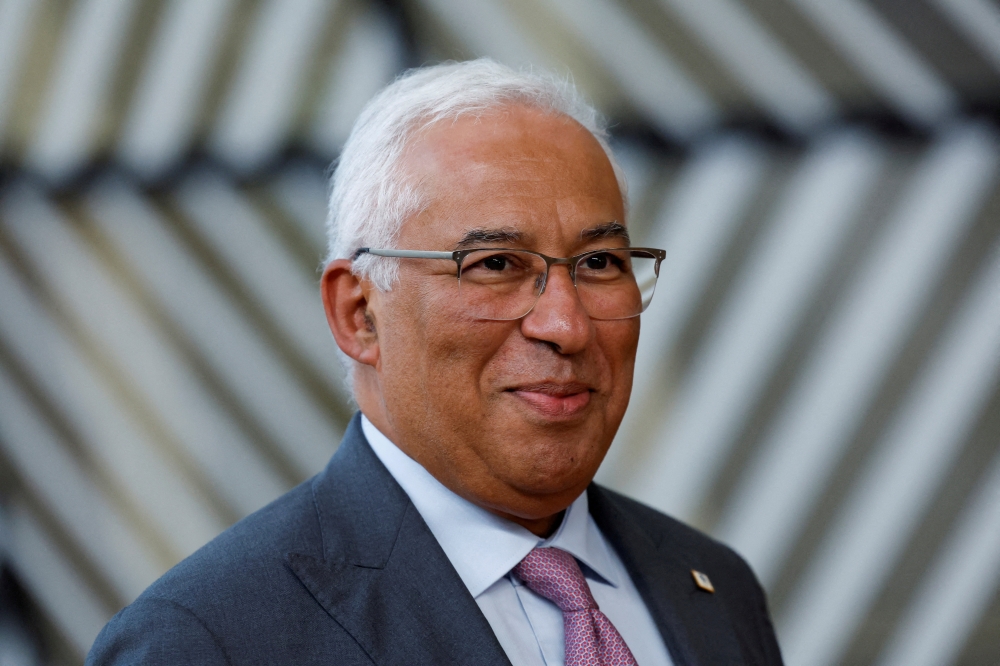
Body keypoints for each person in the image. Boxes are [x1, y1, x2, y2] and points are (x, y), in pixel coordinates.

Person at [87, 59, 782, 665]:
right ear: (359, 313)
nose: (566, 325)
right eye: (496, 265)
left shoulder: (712, 589)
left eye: (599, 262)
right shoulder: (209, 641)